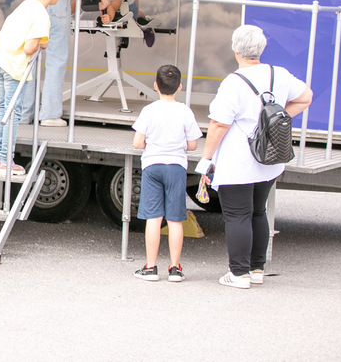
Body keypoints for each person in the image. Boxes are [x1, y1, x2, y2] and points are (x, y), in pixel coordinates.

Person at [196, 25, 312, 288]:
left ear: (235, 49)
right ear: (261, 49)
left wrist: (206, 158)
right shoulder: (278, 74)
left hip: (239, 162)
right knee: (258, 212)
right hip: (269, 158)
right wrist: (272, 122)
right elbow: (306, 97)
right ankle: (256, 269)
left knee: (238, 216)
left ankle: (238, 274)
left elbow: (218, 125)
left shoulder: (233, 83)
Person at [0, 0, 64, 175]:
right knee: (13, 114)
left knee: (3, 109)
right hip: (14, 66)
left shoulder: (26, 5)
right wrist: (43, 42)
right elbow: (31, 47)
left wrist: (41, 40)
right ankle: (6, 160)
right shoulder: (41, 14)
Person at [131, 64, 202, 283]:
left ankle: (151, 267)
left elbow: (137, 143)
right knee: (175, 219)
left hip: (152, 166)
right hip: (176, 167)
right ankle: (175, 268)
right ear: (179, 87)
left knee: (153, 218)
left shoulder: (149, 111)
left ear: (155, 86)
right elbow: (192, 145)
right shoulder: (185, 111)